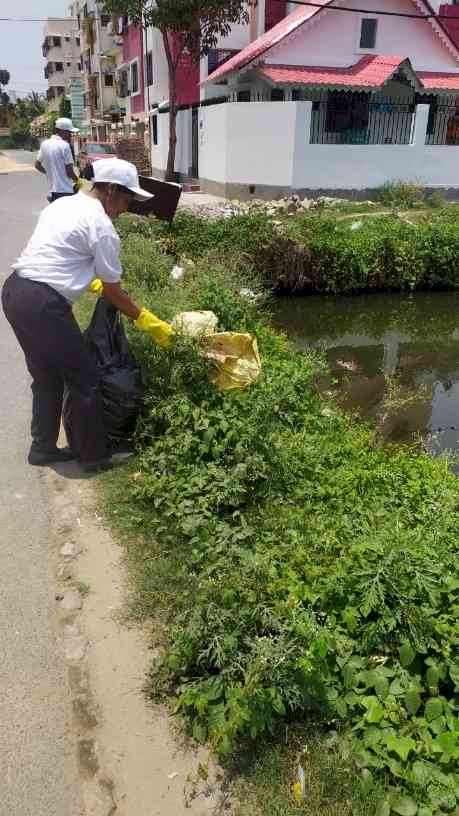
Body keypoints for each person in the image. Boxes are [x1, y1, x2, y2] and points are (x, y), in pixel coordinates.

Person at [2, 157, 173, 472]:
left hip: (16, 291)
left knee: (47, 377)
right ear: (109, 190)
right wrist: (150, 321)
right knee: (85, 379)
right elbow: (114, 292)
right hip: (43, 304)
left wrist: (84, 279)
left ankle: (42, 449)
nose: (127, 208)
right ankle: (94, 456)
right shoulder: (102, 227)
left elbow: (58, 251)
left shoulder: (63, 204)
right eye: (127, 199)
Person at [35, 117, 79, 203]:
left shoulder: (45, 143)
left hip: (52, 191)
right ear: (62, 131)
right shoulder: (65, 146)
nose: (71, 134)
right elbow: (69, 172)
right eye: (69, 132)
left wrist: (49, 173)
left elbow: (37, 165)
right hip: (66, 191)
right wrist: (79, 182)